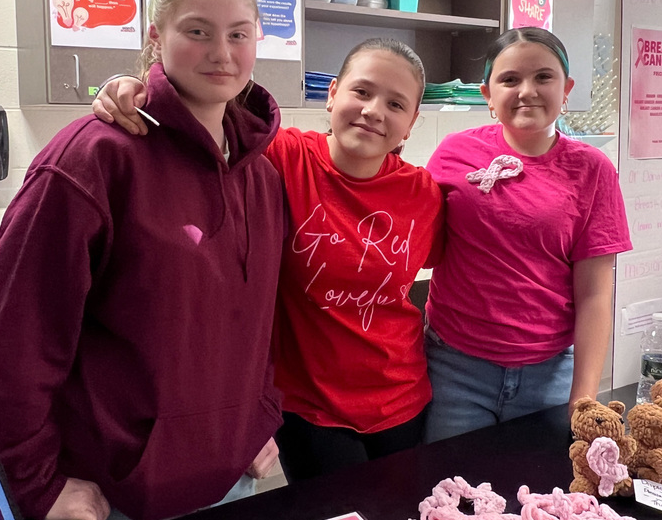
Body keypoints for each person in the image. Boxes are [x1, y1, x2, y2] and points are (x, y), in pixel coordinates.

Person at [0, 0, 284, 520]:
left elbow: (255, 320)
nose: (220, 53)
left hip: (233, 480)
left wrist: (256, 419)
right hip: (115, 499)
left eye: (238, 34)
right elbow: (19, 335)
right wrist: (34, 480)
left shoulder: (263, 171)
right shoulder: (92, 158)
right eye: (196, 32)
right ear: (157, 38)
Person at [92, 37, 444, 480]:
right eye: (362, 91)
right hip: (310, 408)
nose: (375, 110)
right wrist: (128, 85)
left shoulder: (424, 192)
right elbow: (201, 119)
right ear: (332, 93)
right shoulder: (281, 156)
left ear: (411, 123)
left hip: (403, 398)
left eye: (396, 104)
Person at [423, 26, 632, 442]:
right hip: (453, 370)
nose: (527, 91)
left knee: (543, 498)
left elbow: (594, 294)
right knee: (447, 498)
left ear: (566, 88)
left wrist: (583, 398)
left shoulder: (593, 170)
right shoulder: (452, 153)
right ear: (487, 93)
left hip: (549, 375)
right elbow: (422, 246)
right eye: (510, 79)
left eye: (543, 77)